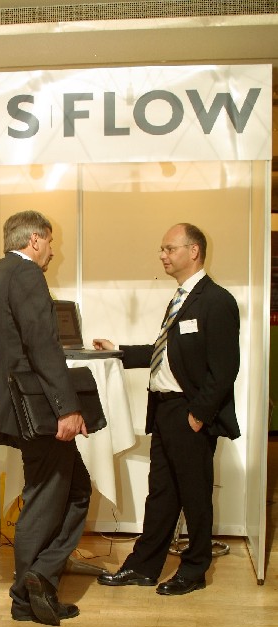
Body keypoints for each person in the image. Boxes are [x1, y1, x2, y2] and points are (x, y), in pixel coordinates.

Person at [94, 222, 240, 596]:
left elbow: (225, 369)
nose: (162, 255)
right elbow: (167, 352)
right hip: (163, 411)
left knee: (195, 496)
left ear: (194, 251)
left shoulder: (216, 301)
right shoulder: (180, 299)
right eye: (162, 249)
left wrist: (199, 415)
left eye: (169, 248)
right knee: (161, 493)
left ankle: (194, 571)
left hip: (189, 413)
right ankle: (143, 567)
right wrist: (119, 351)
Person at [0, 210, 92, 625]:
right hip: (39, 410)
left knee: (73, 488)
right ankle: (30, 589)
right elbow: (43, 345)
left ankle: (35, 584)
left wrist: (12, 364)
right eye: (50, 242)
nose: (52, 251)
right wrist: (68, 408)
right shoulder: (27, 275)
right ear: (35, 240)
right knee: (47, 496)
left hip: (15, 407)